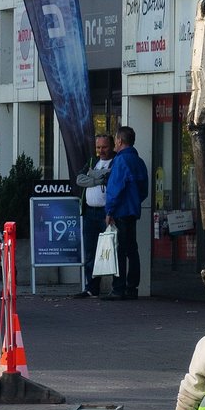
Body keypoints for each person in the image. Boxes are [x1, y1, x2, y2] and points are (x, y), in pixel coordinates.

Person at [103, 126, 149, 301]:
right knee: (132, 250)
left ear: (120, 141)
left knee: (119, 251)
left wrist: (110, 211)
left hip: (120, 212)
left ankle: (118, 288)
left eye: (115, 140)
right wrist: (135, 202)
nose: (115, 143)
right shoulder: (139, 162)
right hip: (133, 211)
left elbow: (115, 188)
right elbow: (144, 190)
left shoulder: (121, 161)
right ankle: (132, 288)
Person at [74, 134, 114, 298]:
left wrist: (93, 176)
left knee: (111, 251)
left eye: (104, 147)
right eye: (98, 147)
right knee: (90, 252)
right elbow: (79, 179)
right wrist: (98, 179)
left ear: (111, 146)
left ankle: (114, 287)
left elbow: (110, 179)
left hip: (106, 213)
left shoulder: (116, 162)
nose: (101, 151)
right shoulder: (92, 161)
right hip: (89, 212)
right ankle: (92, 288)